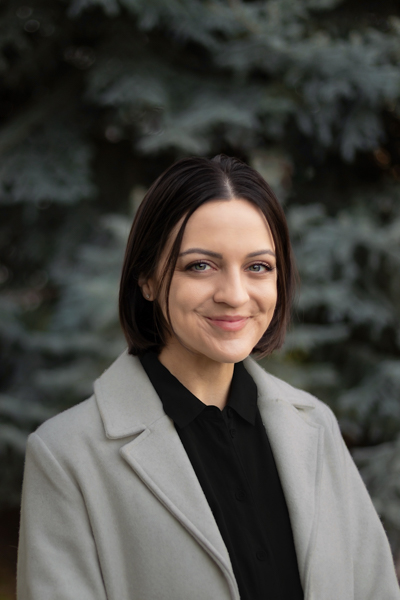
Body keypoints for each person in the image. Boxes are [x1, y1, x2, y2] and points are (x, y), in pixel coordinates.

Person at [17, 155, 399, 600]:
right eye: (200, 265)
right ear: (147, 278)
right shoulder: (66, 455)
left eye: (258, 267)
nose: (234, 295)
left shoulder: (316, 425)